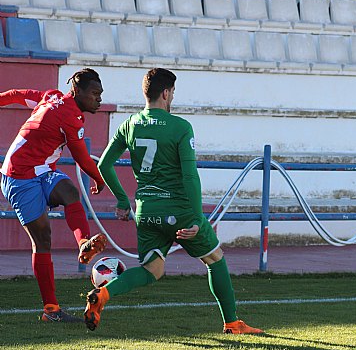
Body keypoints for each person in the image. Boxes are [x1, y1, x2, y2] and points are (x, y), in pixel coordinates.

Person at [84, 68, 263, 335]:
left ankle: (105, 295)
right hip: (178, 210)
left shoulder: (129, 125)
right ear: (166, 93)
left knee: (151, 270)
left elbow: (105, 164)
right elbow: (190, 176)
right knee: (215, 259)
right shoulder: (180, 127)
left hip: (146, 211)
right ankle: (232, 322)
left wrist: (122, 200)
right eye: (173, 93)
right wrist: (194, 218)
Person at [0, 68, 108, 322]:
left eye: (100, 94)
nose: (99, 99)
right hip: (18, 176)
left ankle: (83, 244)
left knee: (70, 192)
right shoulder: (69, 117)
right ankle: (51, 310)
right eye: (94, 94)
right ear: (77, 91)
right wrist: (99, 178)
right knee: (43, 238)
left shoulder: (51, 96)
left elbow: (17, 95)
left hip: (42, 169)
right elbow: (81, 157)